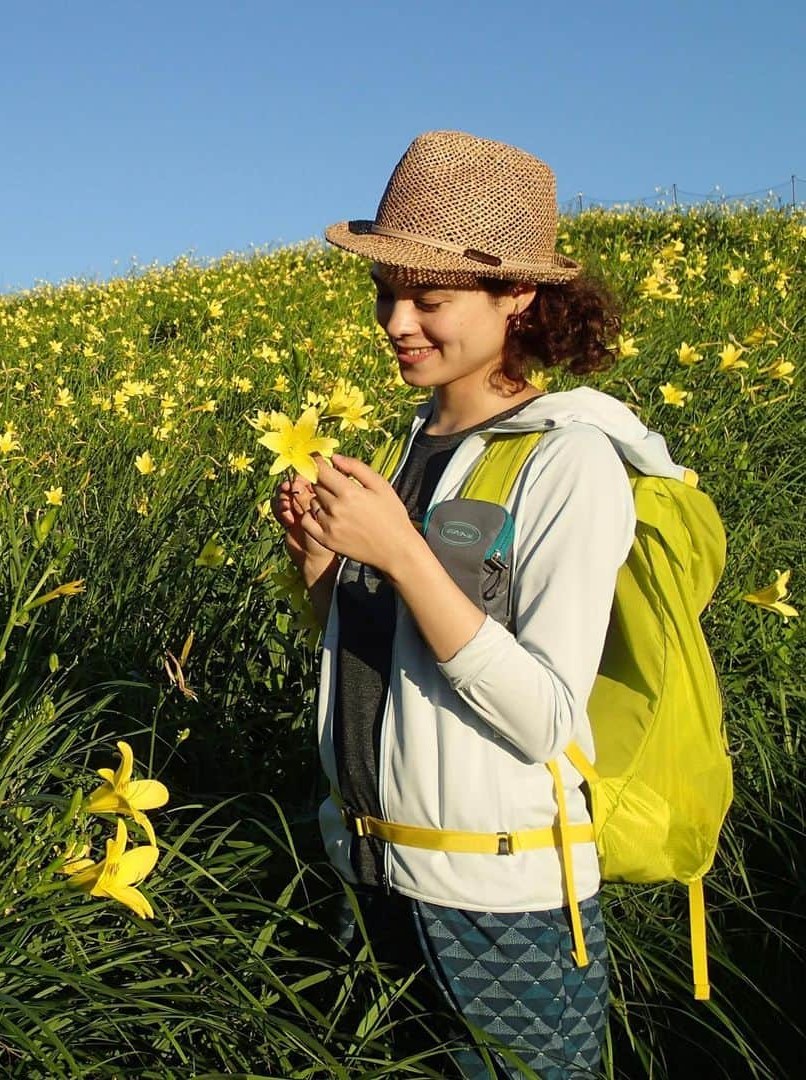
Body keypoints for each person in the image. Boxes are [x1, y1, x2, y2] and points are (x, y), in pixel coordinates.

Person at [271, 131, 689, 1078]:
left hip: (501, 908)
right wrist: (324, 573)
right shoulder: (412, 445)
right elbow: (395, 664)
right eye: (386, 292)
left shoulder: (569, 461)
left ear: (518, 298)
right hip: (368, 879)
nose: (397, 322)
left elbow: (545, 716)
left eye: (431, 298)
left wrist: (401, 554)